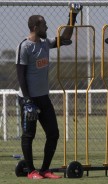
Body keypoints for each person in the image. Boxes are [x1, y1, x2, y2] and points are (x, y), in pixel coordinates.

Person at [15, 3, 82, 179]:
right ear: (35, 27)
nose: (47, 27)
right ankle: (31, 171)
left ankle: (44, 170)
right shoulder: (24, 47)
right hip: (28, 99)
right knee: (29, 134)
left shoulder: (45, 44)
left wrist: (72, 16)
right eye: (44, 25)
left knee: (53, 133)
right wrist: (27, 101)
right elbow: (20, 75)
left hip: (44, 98)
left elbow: (65, 37)